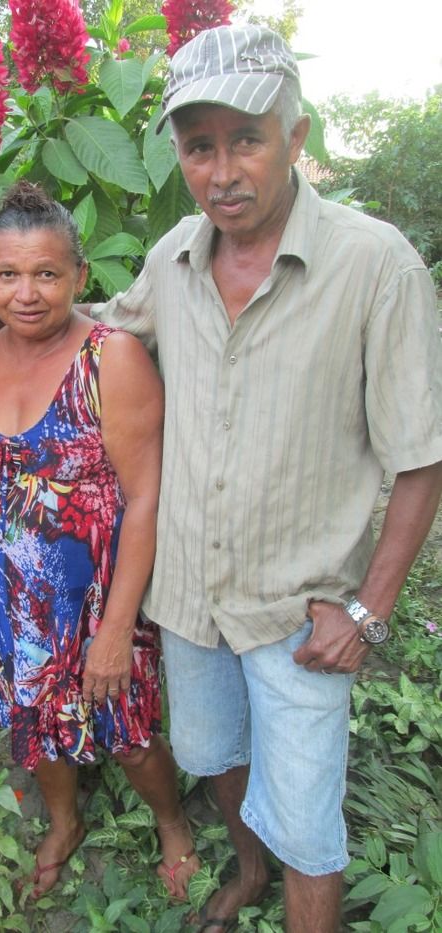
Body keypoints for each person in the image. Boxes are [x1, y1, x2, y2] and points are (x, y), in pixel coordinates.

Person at [85, 24, 442, 933]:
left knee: (311, 826)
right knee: (217, 755)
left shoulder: (375, 266)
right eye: (198, 146)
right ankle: (248, 870)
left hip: (301, 612)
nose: (222, 172)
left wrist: (367, 611)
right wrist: (4, 318)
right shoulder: (174, 256)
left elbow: (421, 458)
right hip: (192, 598)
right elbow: (104, 326)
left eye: (246, 139)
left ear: (297, 136)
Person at [0, 182, 200, 900]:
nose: (26, 293)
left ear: (79, 275)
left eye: (46, 273)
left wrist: (116, 630)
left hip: (97, 599)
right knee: (32, 724)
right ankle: (63, 822)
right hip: (11, 597)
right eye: (8, 274)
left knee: (128, 732)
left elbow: (146, 497)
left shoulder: (110, 358)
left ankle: (172, 823)